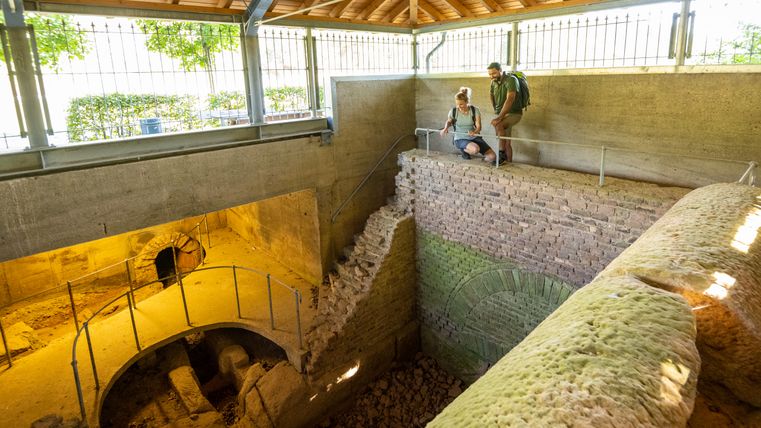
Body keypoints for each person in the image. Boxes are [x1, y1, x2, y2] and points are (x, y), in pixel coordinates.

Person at [440, 87, 498, 163]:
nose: (459, 107)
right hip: (460, 138)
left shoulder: (475, 110)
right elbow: (449, 121)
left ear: (467, 102)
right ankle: (464, 150)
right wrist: (445, 128)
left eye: (461, 104)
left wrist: (475, 132)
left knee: (492, 157)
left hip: (473, 136)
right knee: (475, 149)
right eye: (457, 104)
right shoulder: (454, 111)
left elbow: (479, 127)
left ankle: (482, 162)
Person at [487, 62, 522, 163]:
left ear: (500, 71)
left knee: (498, 125)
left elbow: (510, 99)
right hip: (502, 114)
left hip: (513, 113)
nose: (491, 76)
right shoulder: (493, 82)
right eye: (489, 74)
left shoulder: (511, 80)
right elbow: (491, 95)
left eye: (493, 73)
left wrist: (499, 117)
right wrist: (496, 110)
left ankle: (501, 154)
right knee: (506, 142)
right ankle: (509, 163)